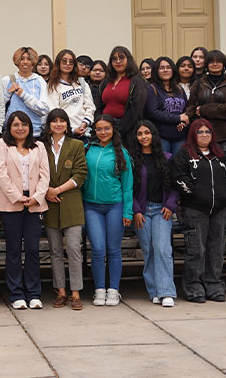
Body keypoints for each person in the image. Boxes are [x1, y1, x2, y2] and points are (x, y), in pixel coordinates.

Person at [0, 111, 50, 310]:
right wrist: (17, 196)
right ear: (9, 127)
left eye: (24, 124)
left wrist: (37, 197)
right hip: (11, 203)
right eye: (16, 124)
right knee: (14, 249)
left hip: (35, 204)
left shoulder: (39, 146)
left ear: (30, 127)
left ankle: (34, 293)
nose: (20, 128)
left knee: (34, 250)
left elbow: (45, 175)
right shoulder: (2, 145)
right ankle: (16, 293)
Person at [170, 119, 226, 303]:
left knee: (216, 249)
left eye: (208, 132)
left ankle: (214, 285)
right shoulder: (184, 154)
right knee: (196, 250)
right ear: (193, 135)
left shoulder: (220, 155)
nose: (204, 135)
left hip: (219, 209)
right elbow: (179, 178)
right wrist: (195, 194)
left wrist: (225, 196)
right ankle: (194, 288)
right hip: (195, 209)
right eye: (200, 132)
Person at [83, 115, 133, 307]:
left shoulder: (121, 152)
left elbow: (128, 185)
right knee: (97, 249)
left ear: (113, 130)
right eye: (99, 129)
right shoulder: (88, 149)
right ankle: (99, 290)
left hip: (114, 205)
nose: (103, 132)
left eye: (107, 128)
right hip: (91, 206)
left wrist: (127, 212)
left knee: (113, 249)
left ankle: (113, 289)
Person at [128, 121, 179, 307]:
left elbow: (175, 186)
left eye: (147, 133)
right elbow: (128, 189)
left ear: (153, 135)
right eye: (140, 134)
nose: (144, 137)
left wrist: (170, 205)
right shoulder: (132, 160)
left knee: (163, 248)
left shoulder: (167, 157)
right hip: (141, 212)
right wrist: (136, 211)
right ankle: (154, 291)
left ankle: (166, 292)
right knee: (149, 250)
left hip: (161, 210)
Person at [41, 109, 87, 310]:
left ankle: (76, 293)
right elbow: (36, 173)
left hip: (71, 202)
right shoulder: (41, 146)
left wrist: (56, 189)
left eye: (62, 121)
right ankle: (60, 291)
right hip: (49, 204)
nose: (58, 124)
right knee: (55, 250)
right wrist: (46, 191)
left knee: (75, 249)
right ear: (49, 125)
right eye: (54, 121)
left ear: (67, 124)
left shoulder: (76, 145)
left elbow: (80, 174)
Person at [185, 50, 226, 147]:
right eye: (211, 62)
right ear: (206, 65)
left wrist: (204, 109)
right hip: (202, 133)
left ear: (224, 64)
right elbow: (191, 107)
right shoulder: (198, 84)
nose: (215, 64)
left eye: (218, 62)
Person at [94, 46, 147, 143]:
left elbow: (136, 111)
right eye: (114, 59)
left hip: (127, 130)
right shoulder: (106, 82)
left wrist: (116, 130)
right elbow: (98, 105)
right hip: (104, 129)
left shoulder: (137, 81)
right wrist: (101, 125)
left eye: (121, 58)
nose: (118, 61)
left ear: (129, 60)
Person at [43, 49, 95, 141]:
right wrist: (72, 130)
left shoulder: (81, 83)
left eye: (71, 62)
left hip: (83, 133)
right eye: (64, 61)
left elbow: (90, 107)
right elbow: (53, 111)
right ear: (58, 63)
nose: (67, 64)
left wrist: (84, 124)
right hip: (63, 133)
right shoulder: (52, 86)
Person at [2, 47, 51, 137]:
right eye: (22, 59)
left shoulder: (39, 81)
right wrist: (8, 93)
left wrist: (24, 95)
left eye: (29, 59)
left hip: (34, 133)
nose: (25, 62)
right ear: (17, 61)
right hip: (11, 133)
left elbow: (44, 109)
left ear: (33, 62)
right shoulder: (7, 80)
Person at [145, 56, 189, 154]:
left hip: (179, 136)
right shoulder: (151, 89)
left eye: (168, 67)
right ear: (156, 71)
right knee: (164, 165)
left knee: (179, 165)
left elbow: (186, 111)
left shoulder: (179, 89)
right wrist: (177, 118)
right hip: (161, 136)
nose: (165, 70)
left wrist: (183, 122)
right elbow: (153, 112)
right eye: (162, 68)